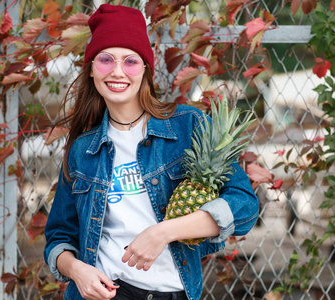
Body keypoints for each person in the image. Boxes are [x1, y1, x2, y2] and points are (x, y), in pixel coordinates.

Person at [43, 4, 259, 300]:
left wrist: (163, 232)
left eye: (130, 61)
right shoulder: (83, 149)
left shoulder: (186, 126)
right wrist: (77, 270)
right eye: (105, 60)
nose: (118, 71)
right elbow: (58, 238)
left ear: (145, 69)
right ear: (92, 69)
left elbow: (244, 206)